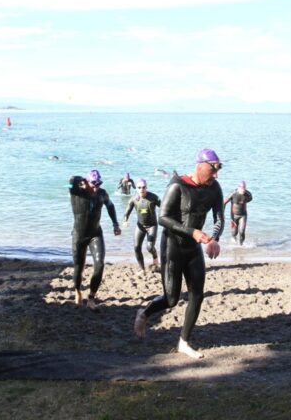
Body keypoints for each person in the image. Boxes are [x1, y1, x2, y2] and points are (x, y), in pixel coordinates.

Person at [134, 148, 225, 359]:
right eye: (213, 169)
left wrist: (213, 239)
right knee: (171, 298)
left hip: (193, 248)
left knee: (197, 294)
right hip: (172, 245)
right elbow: (163, 218)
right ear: (200, 166)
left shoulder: (214, 188)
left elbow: (219, 217)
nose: (216, 175)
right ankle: (144, 314)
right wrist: (193, 232)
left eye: (218, 170)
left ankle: (184, 342)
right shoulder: (178, 185)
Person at [69, 169, 122, 311]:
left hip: (95, 234)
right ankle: (78, 291)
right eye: (94, 183)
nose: (96, 185)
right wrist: (80, 180)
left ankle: (91, 298)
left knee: (99, 264)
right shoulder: (77, 192)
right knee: (78, 267)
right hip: (79, 235)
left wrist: (115, 224)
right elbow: (70, 180)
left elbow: (110, 206)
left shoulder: (102, 193)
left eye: (99, 182)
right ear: (86, 182)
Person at [122, 179, 161, 275]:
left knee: (149, 247)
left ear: (146, 188)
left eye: (144, 187)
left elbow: (165, 207)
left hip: (152, 225)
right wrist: (125, 220)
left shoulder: (153, 197)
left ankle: (155, 257)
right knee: (136, 247)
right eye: (139, 187)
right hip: (140, 226)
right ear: (136, 188)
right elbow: (126, 212)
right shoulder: (134, 199)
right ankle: (142, 269)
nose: (142, 189)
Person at [223, 180, 253, 245]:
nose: (243, 190)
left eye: (244, 188)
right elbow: (224, 203)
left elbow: (250, 199)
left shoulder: (248, 194)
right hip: (233, 216)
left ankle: (241, 245)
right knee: (234, 233)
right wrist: (222, 214)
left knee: (242, 231)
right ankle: (233, 241)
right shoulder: (233, 193)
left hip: (243, 215)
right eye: (242, 188)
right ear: (239, 187)